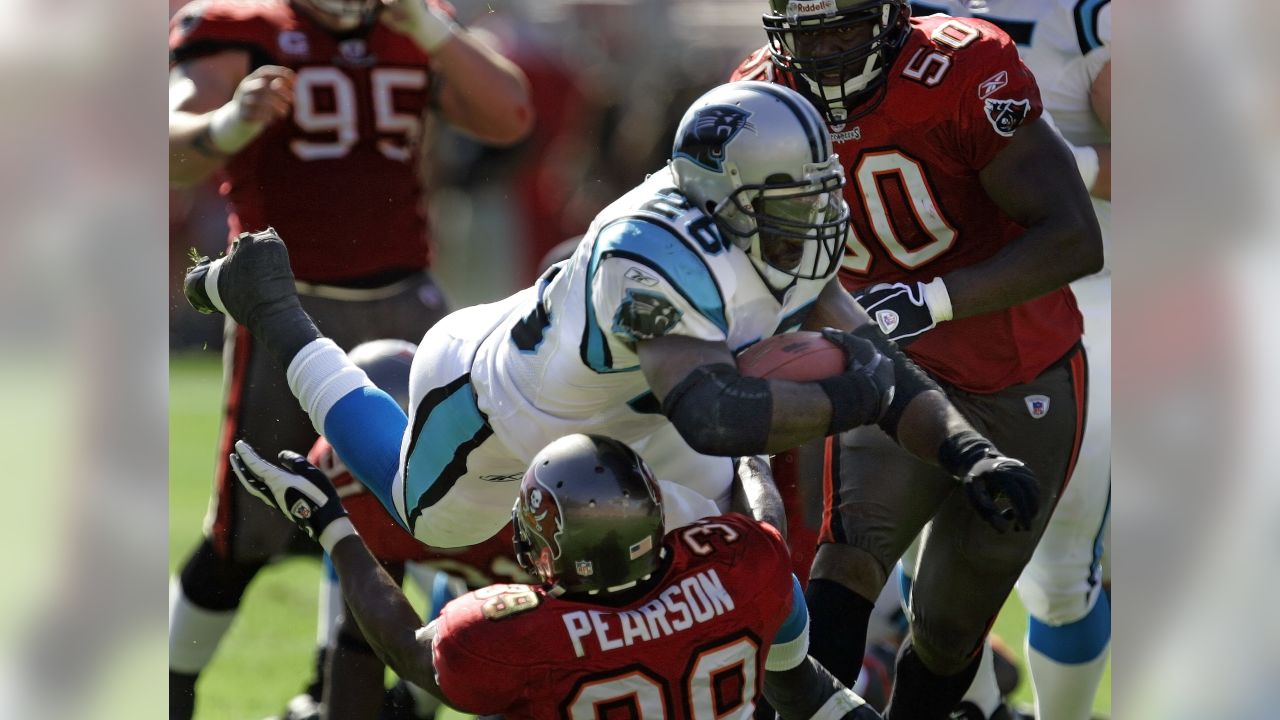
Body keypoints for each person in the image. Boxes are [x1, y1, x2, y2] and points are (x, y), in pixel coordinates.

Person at [183, 82, 1042, 577]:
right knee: (434, 520)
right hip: (505, 407)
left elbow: (877, 358)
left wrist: (967, 451)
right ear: (723, 197)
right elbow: (715, 412)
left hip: (650, 414)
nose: (816, 217)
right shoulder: (651, 252)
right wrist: (854, 393)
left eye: (818, 191)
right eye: (791, 200)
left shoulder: (777, 230)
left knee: (732, 572)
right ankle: (273, 305)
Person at [731, 3, 1103, 718]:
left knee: (946, 629)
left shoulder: (960, 68)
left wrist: (927, 300)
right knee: (847, 562)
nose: (828, 50)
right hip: (890, 374)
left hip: (1018, 369)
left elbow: (1075, 238)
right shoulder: (761, 95)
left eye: (843, 26)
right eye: (808, 33)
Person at [166, 0, 534, 716]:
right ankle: (174, 690)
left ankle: (338, 690)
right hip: (286, 302)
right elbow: (170, 149)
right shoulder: (245, 24)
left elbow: (510, 116)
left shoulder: (414, 22)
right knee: (246, 529)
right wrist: (231, 123)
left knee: (434, 507)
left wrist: (432, 29)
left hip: (408, 305)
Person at [231, 431, 883, 720]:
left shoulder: (519, 636)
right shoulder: (745, 570)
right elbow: (763, 524)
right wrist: (750, 454)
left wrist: (330, 524)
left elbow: (406, 647)